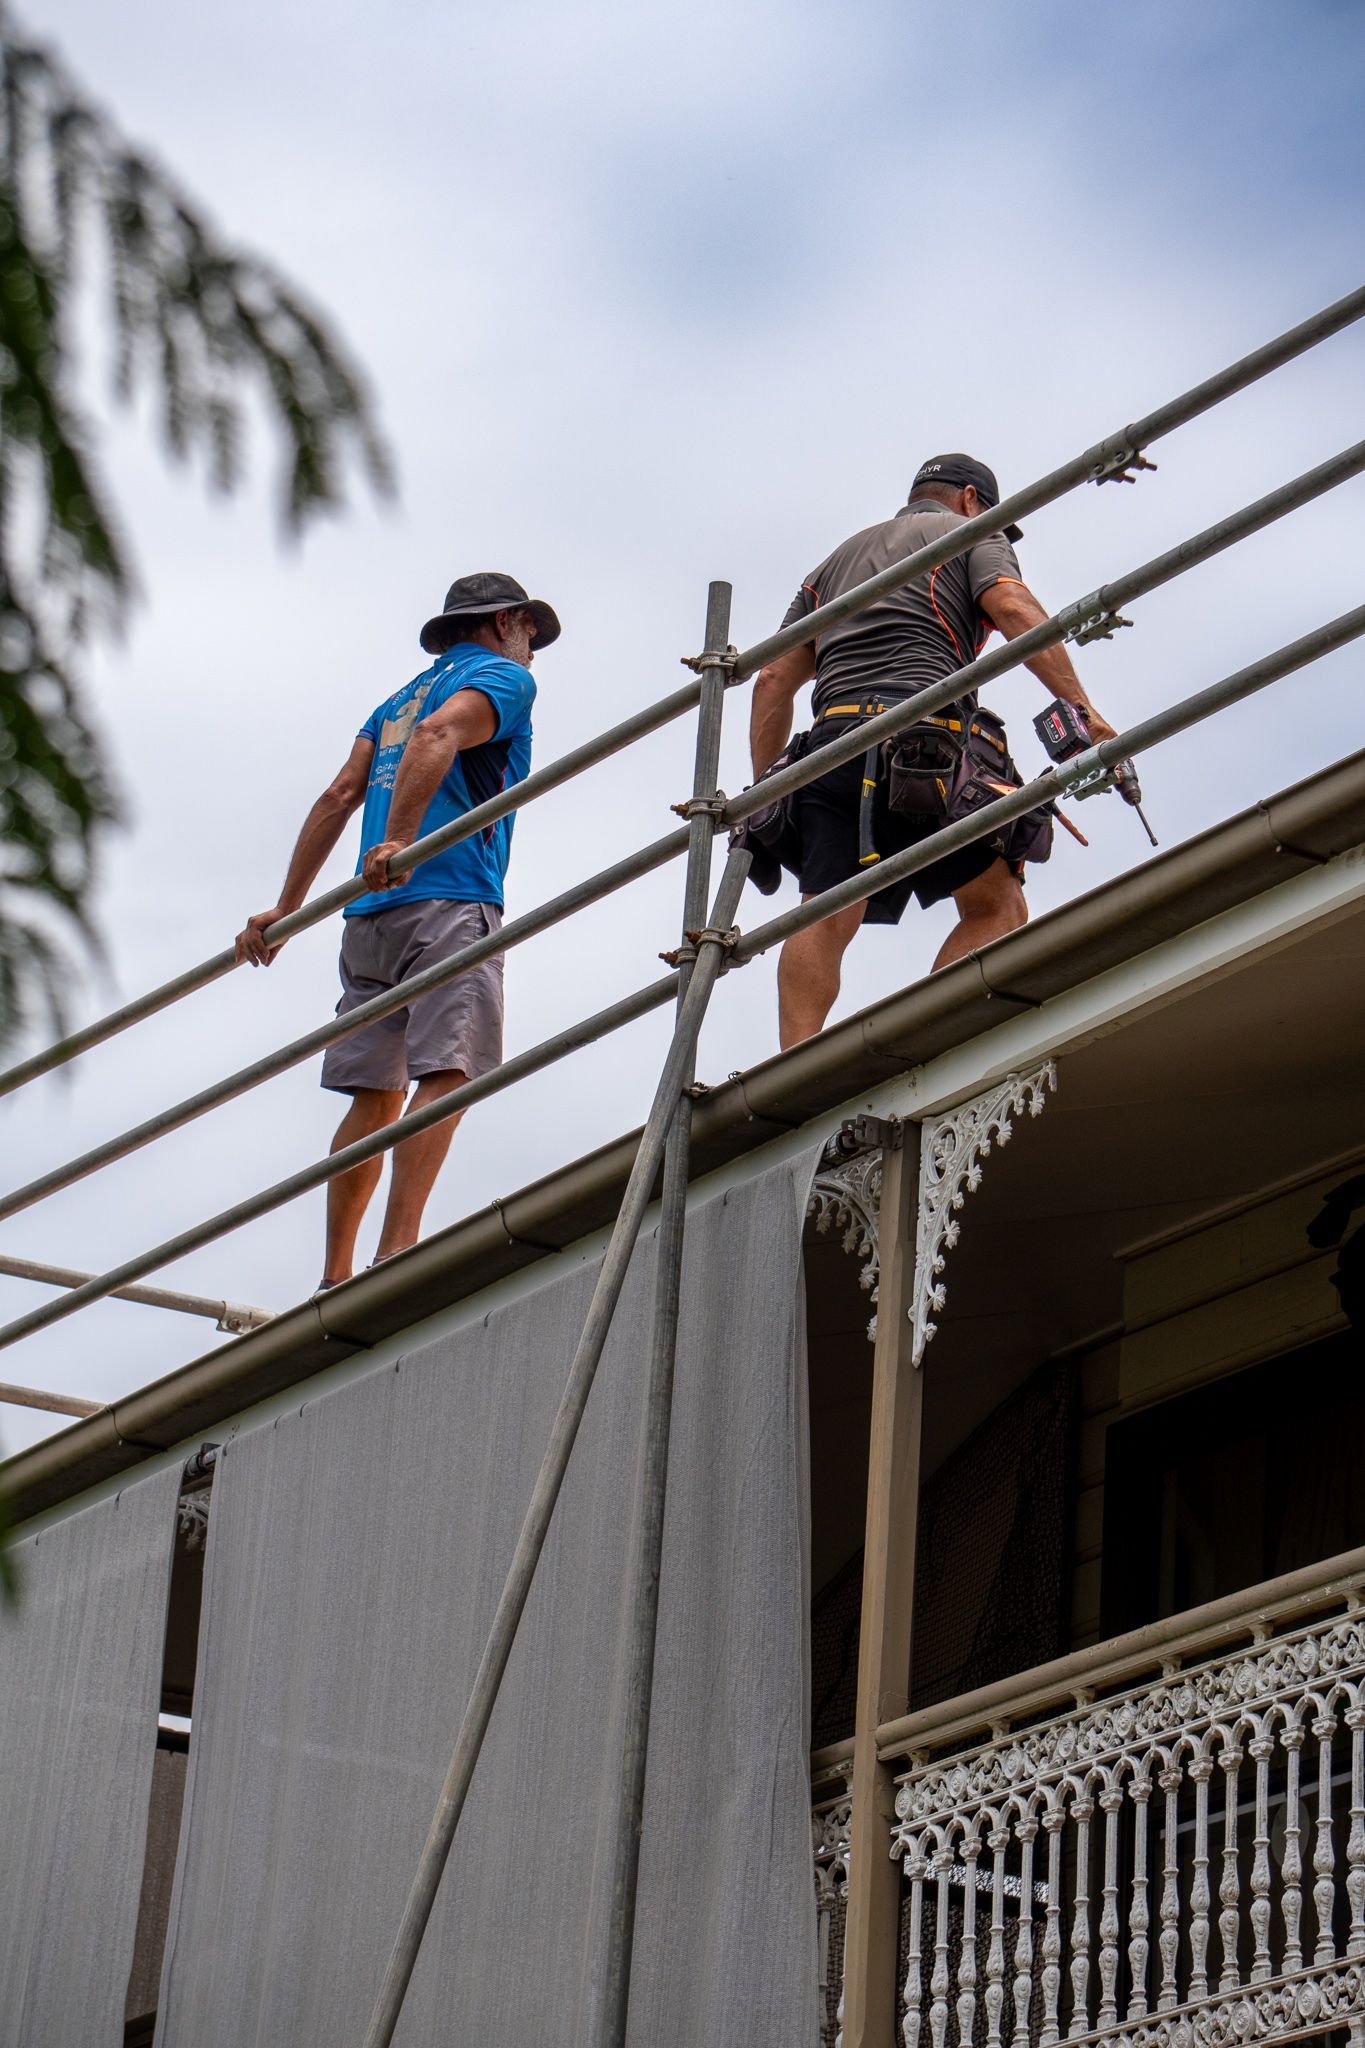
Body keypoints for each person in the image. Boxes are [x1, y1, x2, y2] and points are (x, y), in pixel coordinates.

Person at [236, 571, 561, 1288]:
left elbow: (339, 794)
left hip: (370, 919)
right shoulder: (503, 679)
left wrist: (287, 907)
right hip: (448, 897)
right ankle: (396, 1253)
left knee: (375, 1094)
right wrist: (403, 843)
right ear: (503, 622)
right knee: (450, 1069)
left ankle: (335, 1276)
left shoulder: (395, 701)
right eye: (529, 628)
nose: (533, 645)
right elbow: (442, 734)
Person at [749, 454, 1117, 1047]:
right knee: (996, 905)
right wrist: (1084, 710)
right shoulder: (974, 534)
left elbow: (771, 678)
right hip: (927, 742)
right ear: (971, 500)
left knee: (826, 908)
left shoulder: (833, 563)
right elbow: (1013, 608)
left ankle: (793, 1062)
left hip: (831, 746)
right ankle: (925, 1041)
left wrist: (767, 789)